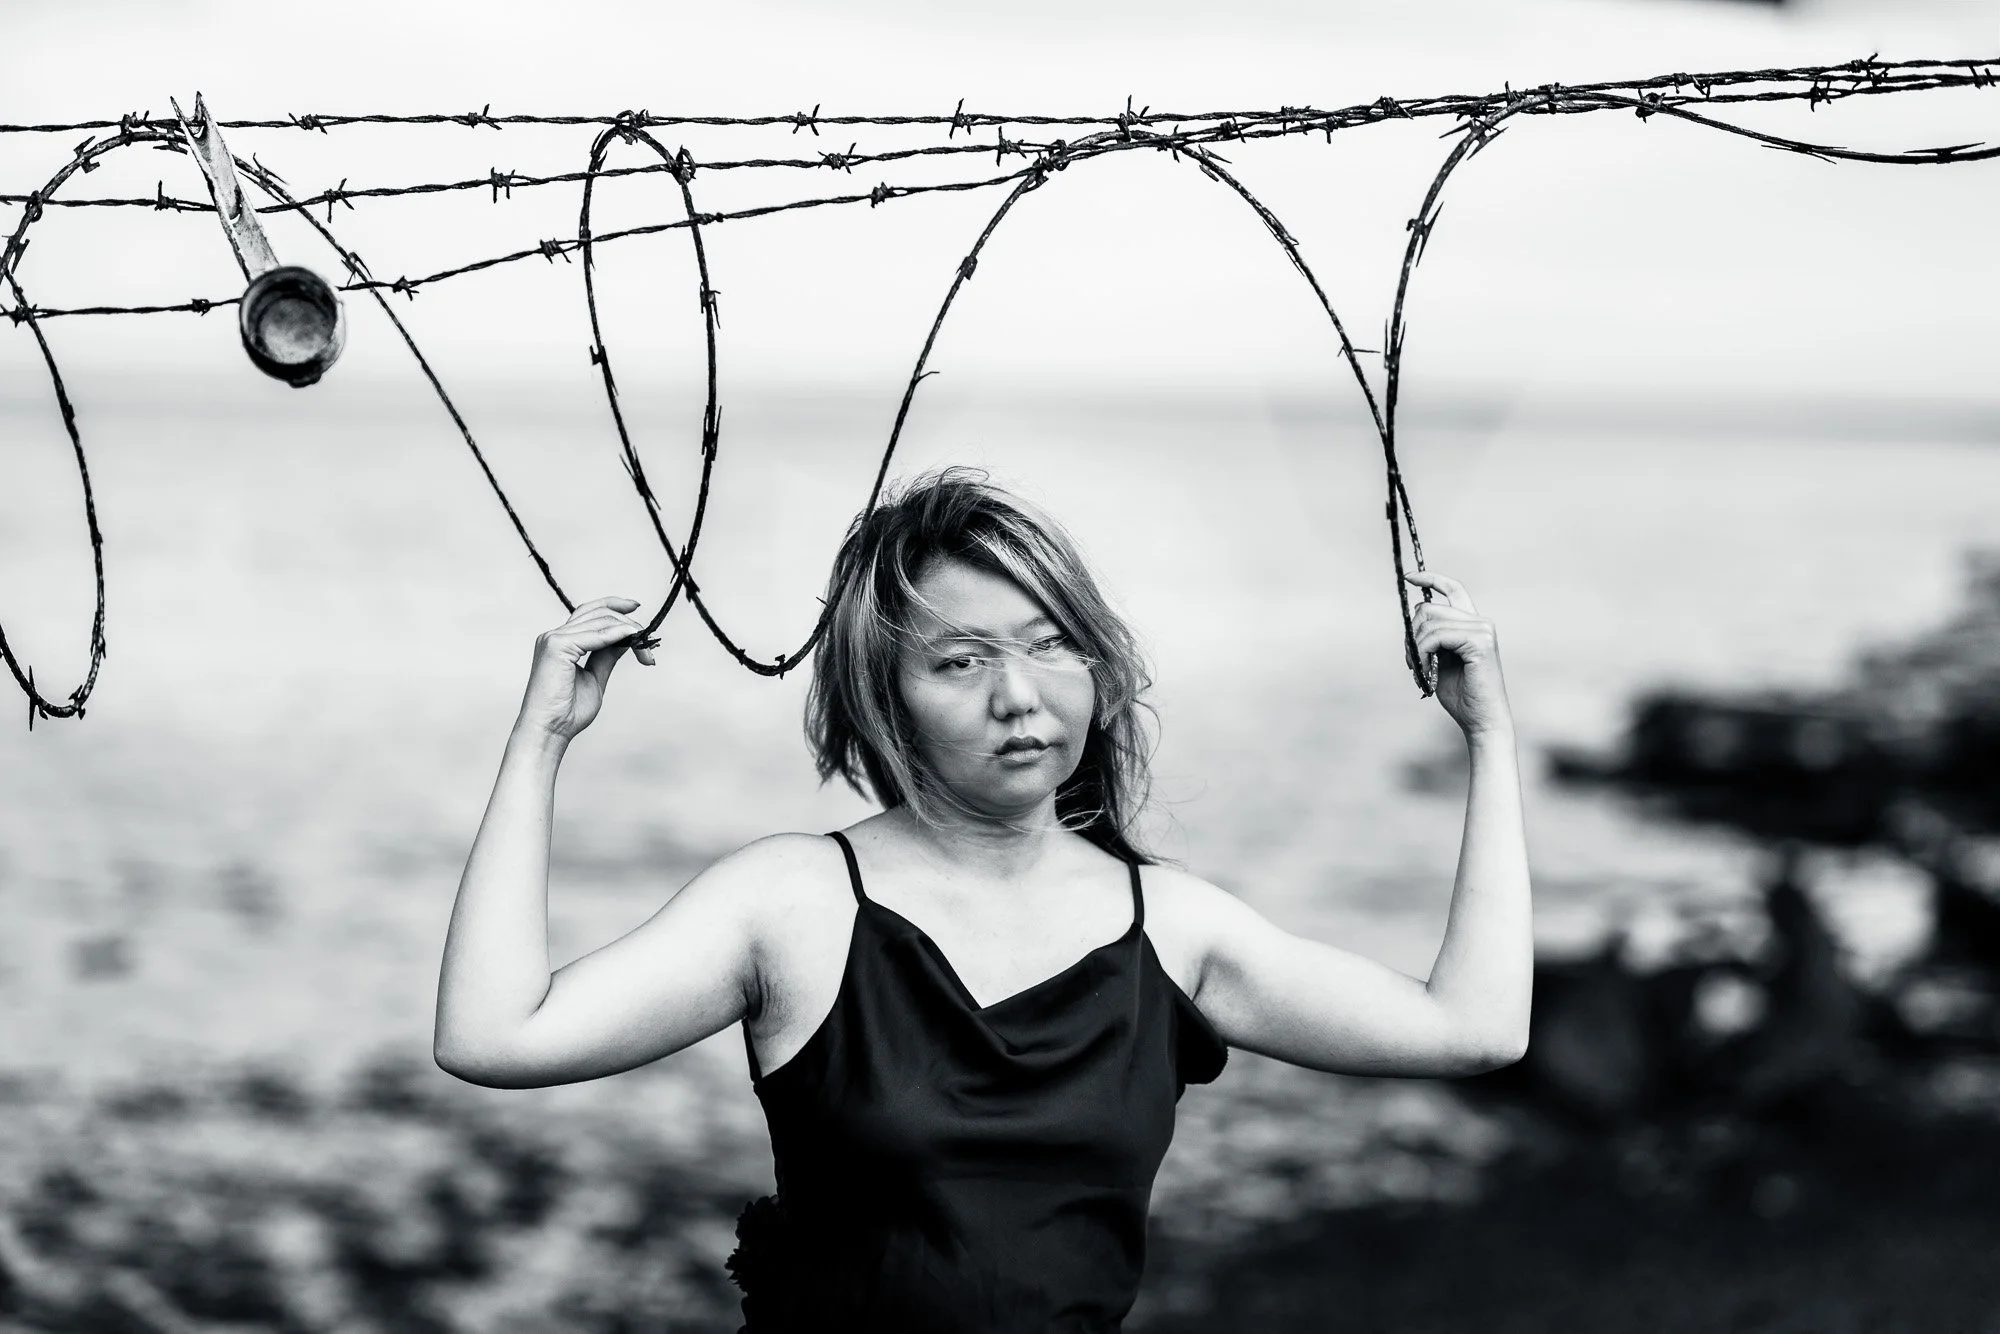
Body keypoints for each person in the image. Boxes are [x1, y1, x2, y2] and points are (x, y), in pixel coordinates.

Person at [434, 467, 1532, 1332]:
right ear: (886, 698)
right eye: (958, 662)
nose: (1018, 695)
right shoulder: (795, 901)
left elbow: (1474, 1027)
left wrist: (1487, 737)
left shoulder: (1175, 926)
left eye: (1050, 643)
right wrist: (541, 738)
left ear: (1097, 668)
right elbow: (493, 1033)